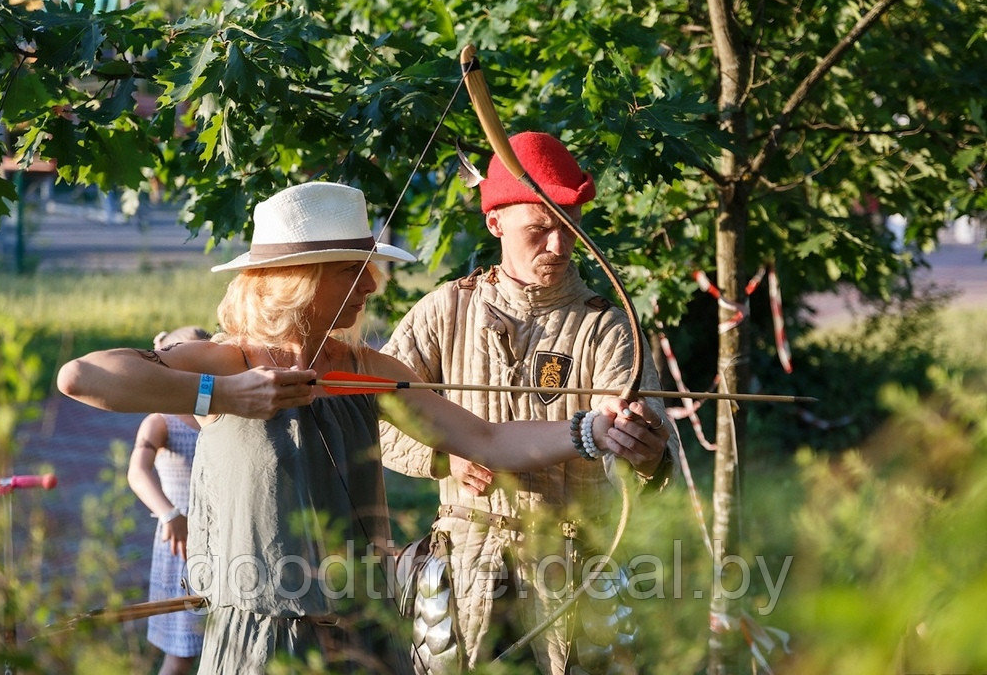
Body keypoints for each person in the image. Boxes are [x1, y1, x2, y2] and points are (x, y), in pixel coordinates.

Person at [56, 181, 651, 675]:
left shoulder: (367, 371)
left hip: (360, 630)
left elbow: (488, 440)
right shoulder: (230, 361)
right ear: (299, 279)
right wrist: (223, 395)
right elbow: (81, 376)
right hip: (265, 637)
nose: (371, 285)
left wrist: (591, 430)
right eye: (351, 271)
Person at [380, 132, 677, 674]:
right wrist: (443, 456)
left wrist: (644, 450)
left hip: (571, 571)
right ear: (495, 223)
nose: (559, 247)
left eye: (569, 229)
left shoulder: (604, 325)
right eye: (539, 229)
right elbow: (378, 415)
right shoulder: (443, 310)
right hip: (465, 566)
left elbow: (644, 451)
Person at [127, 325, 212, 675]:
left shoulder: (219, 415)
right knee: (180, 655)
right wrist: (169, 513)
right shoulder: (160, 420)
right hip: (182, 545)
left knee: (226, 645)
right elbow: (138, 472)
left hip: (221, 541)